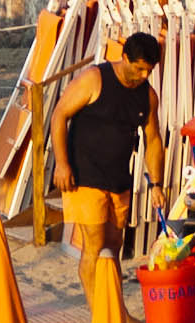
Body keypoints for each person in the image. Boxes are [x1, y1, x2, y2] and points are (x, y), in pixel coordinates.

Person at [50, 30, 168, 292]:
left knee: (114, 245)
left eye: (149, 70)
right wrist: (62, 163)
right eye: (139, 69)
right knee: (94, 243)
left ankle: (115, 307)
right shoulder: (94, 79)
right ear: (125, 58)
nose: (144, 76)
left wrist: (156, 184)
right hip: (84, 176)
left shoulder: (148, 96)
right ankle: (99, 312)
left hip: (119, 179)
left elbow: (153, 140)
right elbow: (59, 115)